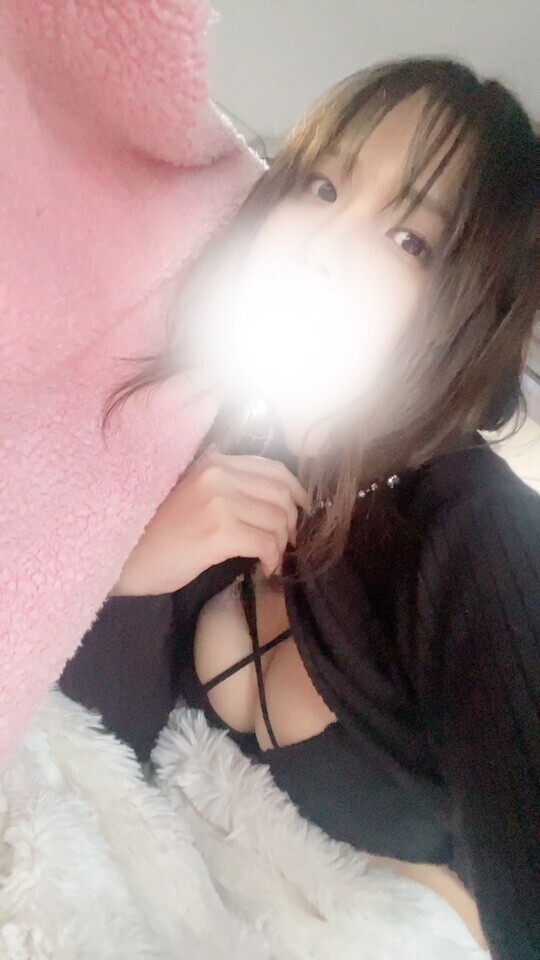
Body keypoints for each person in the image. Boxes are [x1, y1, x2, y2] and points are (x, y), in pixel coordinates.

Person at [88, 59, 540, 958]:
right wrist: (128, 568)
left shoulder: (476, 533)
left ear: (472, 313)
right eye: (323, 186)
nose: (324, 244)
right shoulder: (214, 436)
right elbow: (92, 745)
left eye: (410, 239)